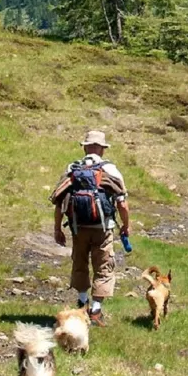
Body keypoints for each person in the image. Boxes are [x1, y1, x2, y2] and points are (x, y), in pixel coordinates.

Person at [52, 129, 129, 328]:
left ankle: (81, 302)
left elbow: (59, 201)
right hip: (103, 228)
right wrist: (126, 226)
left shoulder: (72, 168)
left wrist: (57, 229)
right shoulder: (110, 169)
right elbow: (122, 203)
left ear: (85, 147)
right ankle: (95, 311)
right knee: (104, 266)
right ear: (102, 149)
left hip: (78, 227)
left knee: (79, 262)